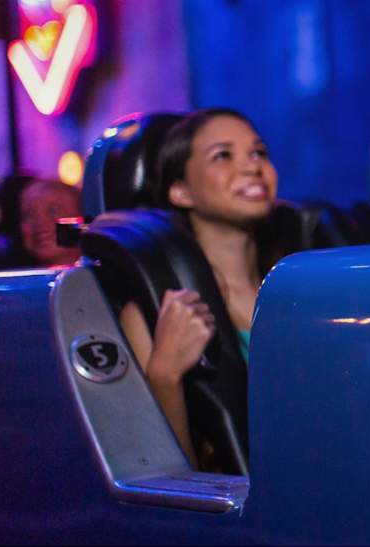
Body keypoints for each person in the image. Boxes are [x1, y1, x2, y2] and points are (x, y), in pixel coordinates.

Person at [118, 108, 280, 467]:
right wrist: (165, 374)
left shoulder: (293, 291)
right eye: (223, 155)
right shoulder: (153, 312)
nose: (252, 166)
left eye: (259, 153)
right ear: (181, 192)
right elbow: (163, 474)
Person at [0, 174, 81, 269]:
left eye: (53, 211)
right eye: (28, 215)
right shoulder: (9, 280)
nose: (40, 223)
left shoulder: (95, 278)